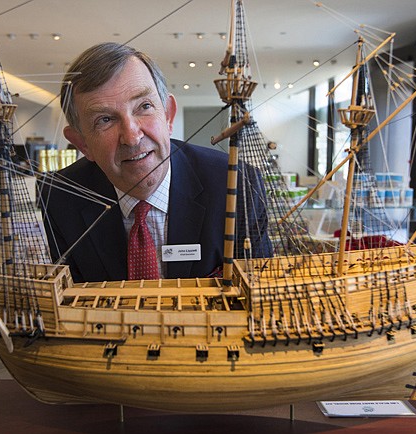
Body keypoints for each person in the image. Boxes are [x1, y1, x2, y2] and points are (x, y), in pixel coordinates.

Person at [41, 42, 272, 283]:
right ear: (82, 144)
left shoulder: (236, 183)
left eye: (144, 106)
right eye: (105, 119)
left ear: (168, 115)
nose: (132, 137)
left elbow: (257, 293)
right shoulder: (59, 196)